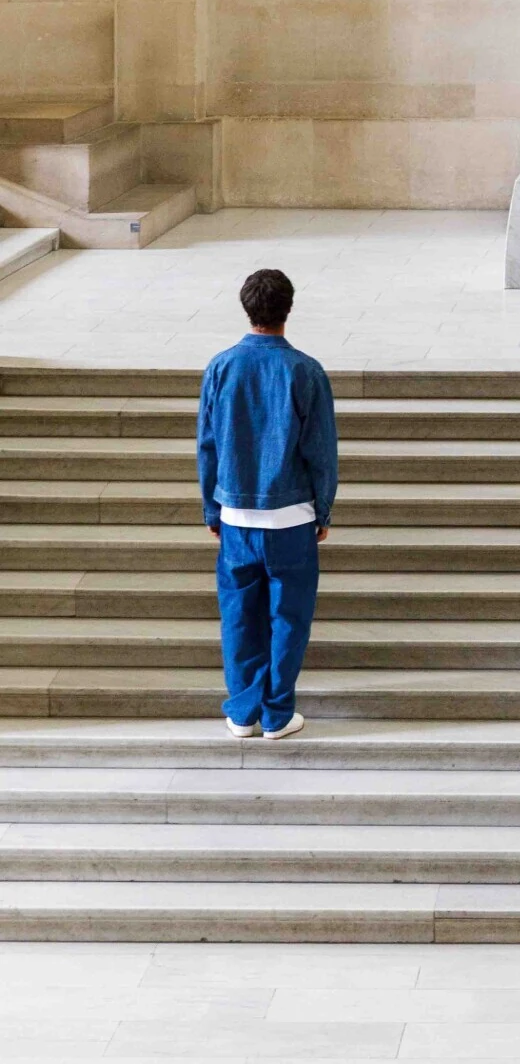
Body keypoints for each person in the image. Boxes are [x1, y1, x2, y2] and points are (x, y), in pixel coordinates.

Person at [196, 268, 338, 741]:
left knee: (238, 617)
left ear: (247, 307)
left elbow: (208, 446)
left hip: (236, 517)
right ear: (288, 309)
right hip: (292, 516)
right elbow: (321, 451)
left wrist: (211, 510)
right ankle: (278, 714)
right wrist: (323, 510)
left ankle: (242, 712)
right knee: (289, 617)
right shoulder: (305, 370)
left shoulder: (221, 366)